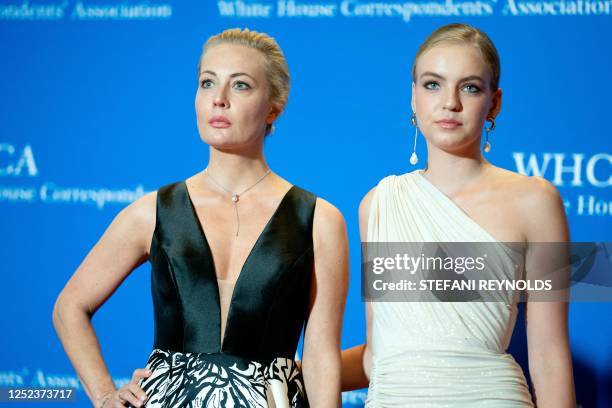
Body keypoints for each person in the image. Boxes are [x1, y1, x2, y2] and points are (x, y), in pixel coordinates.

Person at [53, 28, 348, 408]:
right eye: (207, 83)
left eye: (240, 86)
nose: (218, 100)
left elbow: (322, 355)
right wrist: (104, 394)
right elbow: (69, 307)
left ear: (274, 106)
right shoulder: (153, 211)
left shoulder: (319, 219)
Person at [341, 23, 575, 407]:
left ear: (494, 103)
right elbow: (377, 353)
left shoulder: (537, 201)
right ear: (413, 97)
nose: (449, 102)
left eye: (470, 87)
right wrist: (293, 371)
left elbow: (549, 355)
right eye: (433, 84)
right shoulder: (378, 204)